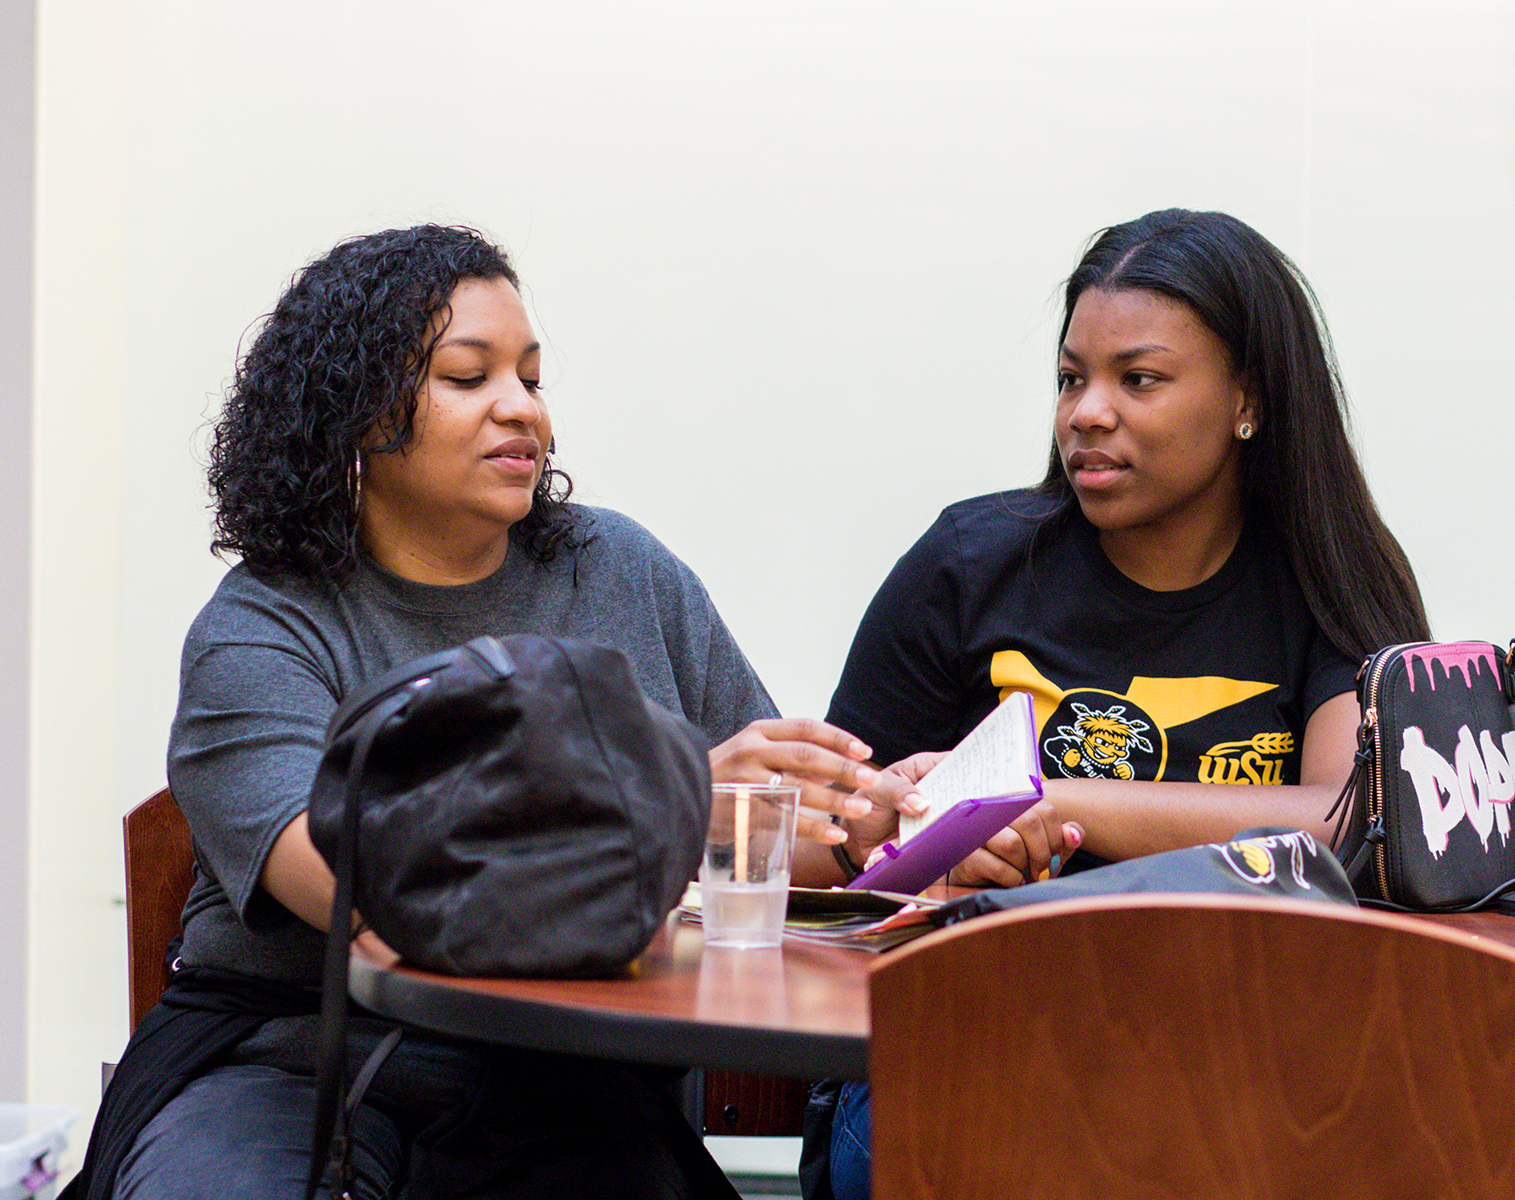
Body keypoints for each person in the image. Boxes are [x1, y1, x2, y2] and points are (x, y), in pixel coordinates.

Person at [69, 224, 919, 1200]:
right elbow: (369, 893)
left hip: (570, 1075)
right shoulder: (261, 628)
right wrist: (673, 793)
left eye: (532, 377)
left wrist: (870, 824)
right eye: (469, 378)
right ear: (353, 418)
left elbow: (757, 843)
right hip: (287, 1060)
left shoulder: (619, 571)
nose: (523, 411)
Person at [804, 208, 1431, 1200]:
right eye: (1070, 379)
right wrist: (909, 816)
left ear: (1247, 404)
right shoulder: (970, 565)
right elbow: (821, 834)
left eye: (1137, 380)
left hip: (1245, 1052)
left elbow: (1351, 821)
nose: (1086, 413)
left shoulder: (1327, 576)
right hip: (973, 1036)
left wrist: (1060, 802)